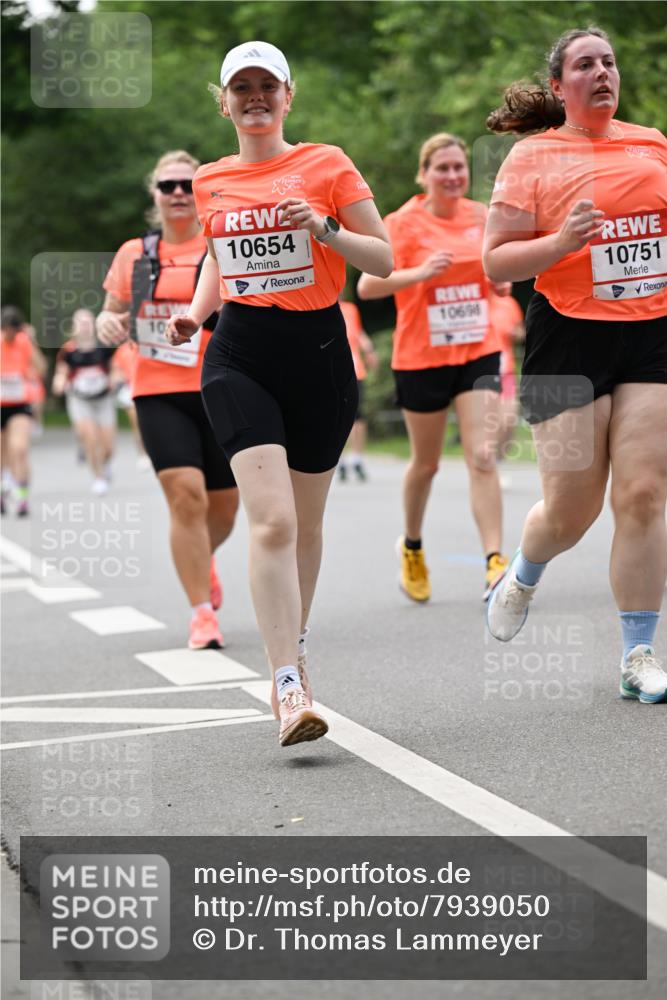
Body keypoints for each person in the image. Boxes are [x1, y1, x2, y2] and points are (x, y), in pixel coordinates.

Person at [165, 41, 392, 746]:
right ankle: (287, 683)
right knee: (271, 522)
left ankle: (294, 642)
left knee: (306, 524)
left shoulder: (326, 163)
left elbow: (382, 257)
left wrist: (322, 228)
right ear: (224, 100)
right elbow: (217, 254)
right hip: (238, 355)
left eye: (267, 85)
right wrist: (197, 312)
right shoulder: (209, 179)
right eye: (242, 87)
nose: (255, 97)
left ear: (287, 96)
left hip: (319, 355)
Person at [483, 26, 667, 703]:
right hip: (567, 335)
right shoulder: (533, 157)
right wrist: (559, 242)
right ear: (559, 87)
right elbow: (495, 260)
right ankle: (524, 573)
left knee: (643, 493)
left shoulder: (651, 143)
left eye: (609, 61)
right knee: (571, 510)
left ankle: (637, 652)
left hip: (651, 330)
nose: (601, 72)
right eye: (584, 64)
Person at [97, 150, 240, 650]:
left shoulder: (221, 244)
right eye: (167, 185)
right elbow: (109, 313)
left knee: (224, 509)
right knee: (186, 496)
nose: (178, 193)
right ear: (155, 195)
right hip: (157, 390)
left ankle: (202, 560)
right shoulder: (133, 254)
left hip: (219, 386)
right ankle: (202, 613)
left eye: (186, 184)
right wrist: (108, 324)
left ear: (199, 192)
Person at [357, 133, 509, 603]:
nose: (452, 176)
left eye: (459, 167)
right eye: (442, 168)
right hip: (421, 357)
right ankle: (413, 546)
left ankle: (495, 562)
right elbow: (367, 287)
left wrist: (500, 282)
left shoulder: (481, 217)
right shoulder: (402, 223)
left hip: (475, 350)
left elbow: (498, 275)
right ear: (424, 175)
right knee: (425, 464)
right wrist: (420, 274)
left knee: (481, 455)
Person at [52, 308, 117, 495]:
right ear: (74, 327)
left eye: (88, 322)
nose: (85, 326)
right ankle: (98, 477)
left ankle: (104, 464)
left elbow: (114, 369)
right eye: (81, 323)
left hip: (103, 398)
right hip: (80, 399)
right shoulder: (68, 350)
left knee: (108, 446)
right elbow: (61, 373)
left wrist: (114, 379)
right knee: (90, 438)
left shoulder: (104, 347)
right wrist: (59, 383)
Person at [1, 306, 47, 516]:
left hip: (20, 404)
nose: (10, 335)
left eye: (13, 330)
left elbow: (41, 368)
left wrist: (33, 342)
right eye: (6, 330)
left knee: (19, 449)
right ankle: (3, 492)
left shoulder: (24, 342)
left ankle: (22, 497)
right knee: (2, 454)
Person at [337, 296, 379, 482]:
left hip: (355, 370)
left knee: (358, 416)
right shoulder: (319, 307)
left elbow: (359, 332)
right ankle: (340, 459)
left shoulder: (350, 309)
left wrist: (369, 350)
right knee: (335, 418)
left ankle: (357, 458)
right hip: (331, 371)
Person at [489, 286, 525, 476]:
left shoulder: (509, 304)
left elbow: (521, 332)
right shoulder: (478, 299)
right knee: (490, 423)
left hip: (506, 372)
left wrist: (516, 333)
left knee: (509, 421)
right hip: (483, 373)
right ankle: (488, 468)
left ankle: (498, 460)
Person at [111, 340, 151, 469]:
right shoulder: (122, 350)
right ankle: (143, 454)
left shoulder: (149, 344)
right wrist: (117, 379)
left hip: (149, 386)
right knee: (138, 424)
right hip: (130, 388)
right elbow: (116, 370)